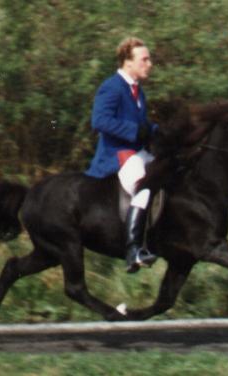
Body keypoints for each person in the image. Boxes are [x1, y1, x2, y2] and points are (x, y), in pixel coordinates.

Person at [86, 37, 158, 273]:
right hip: (117, 155)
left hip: (137, 153)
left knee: (167, 171)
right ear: (128, 62)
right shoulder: (112, 87)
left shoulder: (138, 92)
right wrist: (135, 130)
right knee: (143, 182)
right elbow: (99, 121)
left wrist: (162, 132)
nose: (150, 64)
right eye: (144, 59)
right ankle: (133, 248)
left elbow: (145, 126)